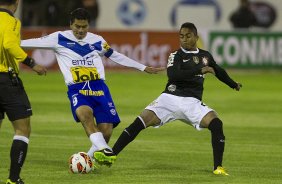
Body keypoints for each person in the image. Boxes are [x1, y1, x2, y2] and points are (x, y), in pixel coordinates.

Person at [94, 22, 242, 175]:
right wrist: (200, 69)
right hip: (169, 98)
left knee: (216, 124)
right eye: (181, 36)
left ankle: (218, 168)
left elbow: (218, 71)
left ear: (196, 37)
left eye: (188, 36)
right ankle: (112, 154)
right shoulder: (176, 55)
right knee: (141, 120)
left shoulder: (205, 56)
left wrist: (233, 84)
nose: (184, 39)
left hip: (192, 102)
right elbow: (174, 75)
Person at [21, 8, 163, 166]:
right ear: (70, 24)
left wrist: (142, 67)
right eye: (77, 26)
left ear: (89, 25)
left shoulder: (97, 40)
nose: (81, 30)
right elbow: (26, 43)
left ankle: (88, 160)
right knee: (85, 116)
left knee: (106, 130)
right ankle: (104, 149)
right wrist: (7, 41)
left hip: (99, 88)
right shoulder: (58, 38)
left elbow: (116, 56)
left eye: (84, 27)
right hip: (77, 88)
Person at [0, 0, 47, 183]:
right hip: (6, 82)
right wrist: (32, 63)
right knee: (22, 130)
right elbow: (9, 45)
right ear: (17, 2)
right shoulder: (12, 21)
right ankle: (13, 179)